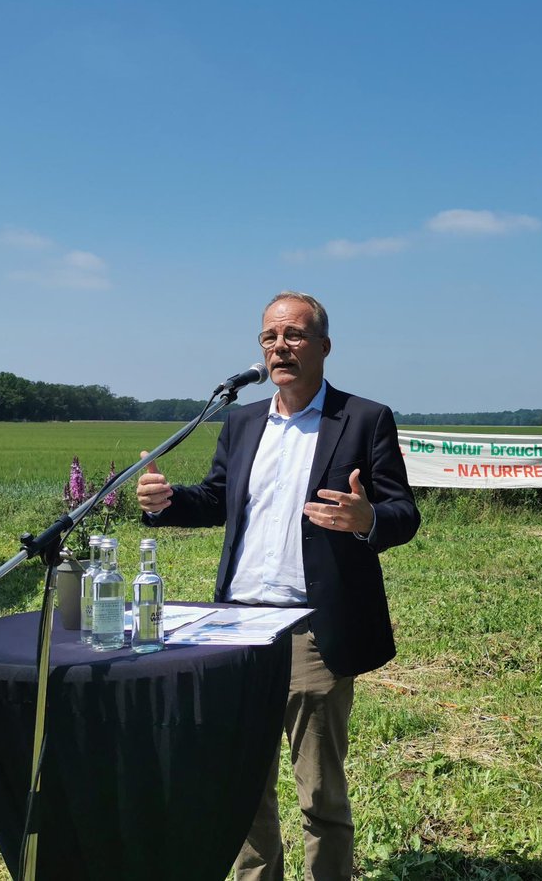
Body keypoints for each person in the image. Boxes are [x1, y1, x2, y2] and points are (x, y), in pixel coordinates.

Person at [136, 291, 420, 881]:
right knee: (240, 786)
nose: (279, 347)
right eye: (269, 337)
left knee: (319, 793)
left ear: (323, 346)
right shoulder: (241, 421)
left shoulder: (364, 418)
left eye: (293, 335)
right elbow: (219, 498)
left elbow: (403, 513)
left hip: (310, 630)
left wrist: (368, 520)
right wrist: (167, 502)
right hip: (234, 628)